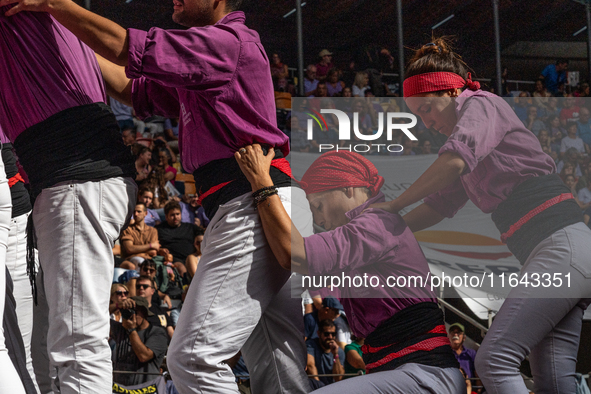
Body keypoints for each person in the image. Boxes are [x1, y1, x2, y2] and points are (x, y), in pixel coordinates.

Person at [4, 0, 316, 392]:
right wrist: (68, 40)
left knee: (192, 359)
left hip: (251, 198)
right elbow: (133, 91)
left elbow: (126, 47)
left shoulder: (226, 42)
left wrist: (56, 6)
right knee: (277, 361)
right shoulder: (215, 53)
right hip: (260, 197)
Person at [370, 38, 591, 394]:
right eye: (418, 115)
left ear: (452, 91)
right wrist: (387, 229)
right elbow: (440, 204)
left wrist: (393, 207)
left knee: (494, 359)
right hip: (562, 250)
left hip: (560, 247)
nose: (426, 122)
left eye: (427, 108)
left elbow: (453, 161)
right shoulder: (475, 141)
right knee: (553, 380)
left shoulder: (480, 103)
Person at [235, 146, 464, 393]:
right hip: (408, 375)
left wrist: (261, 183)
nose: (318, 220)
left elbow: (294, 254)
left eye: (318, 206)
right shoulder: (365, 237)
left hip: (426, 375)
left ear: (347, 187)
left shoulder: (377, 223)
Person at [0, 5, 137, 394]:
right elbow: (132, 89)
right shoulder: (60, 22)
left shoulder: (37, 12)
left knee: (76, 343)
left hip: (76, 180)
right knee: (65, 342)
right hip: (77, 180)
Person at [111, 296, 168, 386]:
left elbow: (144, 356)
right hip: (120, 390)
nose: (130, 315)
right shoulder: (121, 329)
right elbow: (97, 317)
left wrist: (131, 330)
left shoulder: (157, 333)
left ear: (144, 314)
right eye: (126, 311)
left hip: (146, 390)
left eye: (134, 311)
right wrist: (118, 305)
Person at [120, 203, 160, 268]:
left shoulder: (153, 231)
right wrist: (150, 245)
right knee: (140, 262)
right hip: (131, 260)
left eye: (139, 211)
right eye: (134, 211)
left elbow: (153, 251)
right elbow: (129, 249)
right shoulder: (128, 230)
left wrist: (136, 249)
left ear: (145, 213)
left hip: (149, 260)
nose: (135, 214)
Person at [306, 320, 345, 386]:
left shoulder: (339, 351)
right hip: (316, 387)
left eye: (333, 334)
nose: (330, 337)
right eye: (326, 334)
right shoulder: (311, 345)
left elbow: (338, 378)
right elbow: (310, 366)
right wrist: (319, 388)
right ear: (319, 333)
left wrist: (335, 355)